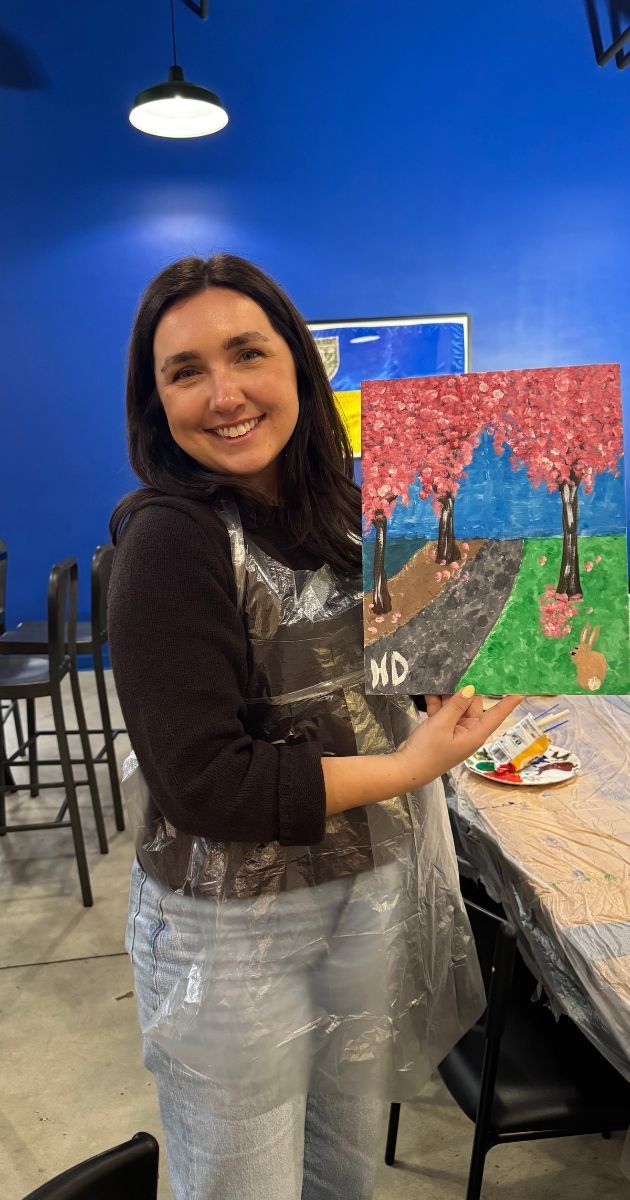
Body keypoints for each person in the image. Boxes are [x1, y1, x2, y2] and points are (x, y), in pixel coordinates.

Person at [108, 253, 522, 1200]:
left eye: (247, 353)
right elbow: (210, 786)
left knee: (340, 1167)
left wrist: (461, 659)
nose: (225, 394)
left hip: (365, 890)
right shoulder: (169, 539)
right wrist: (415, 764)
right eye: (185, 371)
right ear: (155, 400)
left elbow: (369, 672)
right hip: (233, 926)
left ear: (299, 365)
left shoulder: (342, 509)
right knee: (240, 1182)